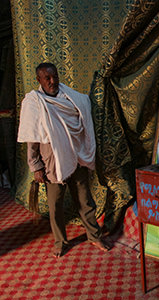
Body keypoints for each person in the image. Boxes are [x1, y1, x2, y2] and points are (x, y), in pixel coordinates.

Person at [17, 62, 110, 258]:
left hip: (76, 159)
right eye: (47, 78)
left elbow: (83, 124)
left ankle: (94, 236)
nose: (52, 81)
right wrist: (36, 167)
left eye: (55, 77)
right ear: (39, 80)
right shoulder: (34, 103)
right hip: (52, 164)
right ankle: (60, 242)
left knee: (85, 201)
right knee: (55, 206)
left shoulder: (71, 98)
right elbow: (32, 140)